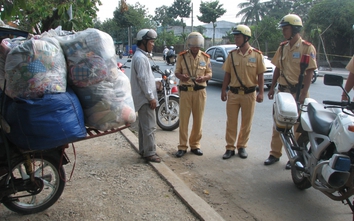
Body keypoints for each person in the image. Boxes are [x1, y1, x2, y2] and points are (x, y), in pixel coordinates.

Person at [264, 14, 317, 169]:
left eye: (286, 29)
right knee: (278, 124)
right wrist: (273, 87)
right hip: (283, 92)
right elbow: (278, 69)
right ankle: (274, 154)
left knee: (298, 127)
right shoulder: (282, 47)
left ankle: (295, 157)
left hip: (298, 92)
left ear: (295, 29)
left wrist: (303, 92)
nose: (283, 32)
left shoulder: (307, 47)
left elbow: (309, 72)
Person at [221, 25, 267, 160]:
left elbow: (261, 76)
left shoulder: (257, 55)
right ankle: (230, 147)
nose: (235, 39)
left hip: (249, 94)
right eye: (235, 36)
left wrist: (261, 93)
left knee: (247, 122)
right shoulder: (232, 55)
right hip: (233, 94)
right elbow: (227, 75)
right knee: (231, 122)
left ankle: (242, 146)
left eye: (238, 37)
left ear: (246, 38)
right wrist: (224, 90)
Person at [174, 32, 212, 158]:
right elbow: (177, 72)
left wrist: (204, 78)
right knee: (184, 120)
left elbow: (209, 73)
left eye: (198, 46)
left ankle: (195, 145)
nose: (196, 48)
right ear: (189, 45)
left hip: (200, 92)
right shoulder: (182, 56)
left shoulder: (205, 57)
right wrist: (182, 77)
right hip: (186, 91)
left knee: (198, 120)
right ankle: (182, 146)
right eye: (193, 46)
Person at [130, 29, 161, 163]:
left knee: (143, 127)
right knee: (149, 127)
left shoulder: (140, 56)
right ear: (144, 42)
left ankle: (144, 150)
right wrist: (151, 98)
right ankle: (150, 153)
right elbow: (143, 80)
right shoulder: (141, 58)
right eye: (151, 42)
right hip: (144, 99)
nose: (153, 44)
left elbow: (145, 79)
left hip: (142, 97)